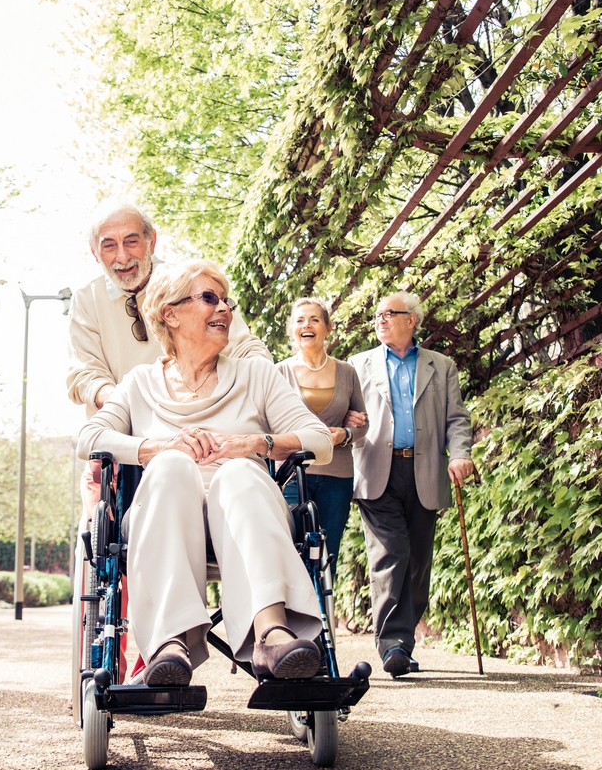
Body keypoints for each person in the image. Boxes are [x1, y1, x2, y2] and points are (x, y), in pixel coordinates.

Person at [77, 260, 333, 686]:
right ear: (170, 314)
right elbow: (90, 437)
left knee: (237, 472)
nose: (225, 311)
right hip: (166, 517)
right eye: (210, 299)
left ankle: (272, 633)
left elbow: (319, 440)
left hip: (245, 514)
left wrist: (256, 444)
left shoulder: (256, 374)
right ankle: (169, 643)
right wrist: (155, 447)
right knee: (173, 465)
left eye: (226, 301)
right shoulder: (140, 383)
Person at [348, 291, 475, 677]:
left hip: (424, 470)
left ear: (412, 320)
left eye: (389, 314)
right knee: (391, 553)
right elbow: (346, 416)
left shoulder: (442, 365)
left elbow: (456, 418)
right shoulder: (358, 365)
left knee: (419, 561)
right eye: (377, 315)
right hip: (376, 469)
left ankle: (404, 640)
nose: (380, 320)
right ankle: (393, 644)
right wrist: (347, 428)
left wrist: (460, 453)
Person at [66, 199, 271, 414]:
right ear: (95, 254)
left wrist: (258, 386)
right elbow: (86, 374)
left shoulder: (191, 282)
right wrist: (127, 406)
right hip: (123, 428)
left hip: (197, 417)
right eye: (109, 246)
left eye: (131, 241)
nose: (122, 256)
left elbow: (246, 350)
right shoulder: (86, 301)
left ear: (151, 241)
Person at [276, 297, 367, 583]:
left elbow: (363, 424)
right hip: (291, 474)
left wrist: (345, 434)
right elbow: (269, 422)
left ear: (328, 328)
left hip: (336, 475)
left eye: (314, 319)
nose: (307, 325)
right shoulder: (279, 373)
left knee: (328, 552)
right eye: (300, 320)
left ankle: (322, 622)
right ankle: (293, 621)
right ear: (292, 329)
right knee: (291, 550)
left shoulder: (347, 372)